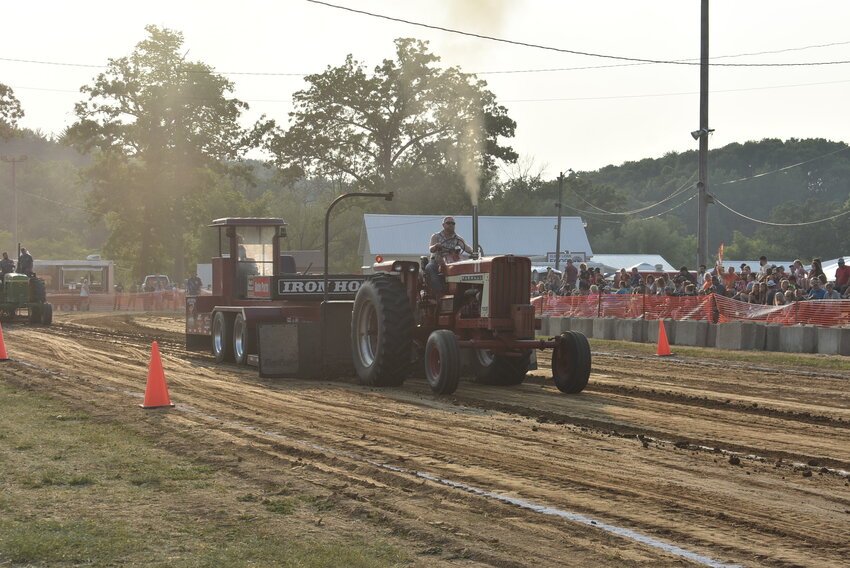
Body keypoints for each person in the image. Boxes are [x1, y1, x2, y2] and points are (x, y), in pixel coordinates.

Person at [425, 216, 474, 292]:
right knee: (430, 267)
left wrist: (474, 252)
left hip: (452, 262)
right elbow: (431, 249)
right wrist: (436, 246)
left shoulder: (458, 238)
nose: (451, 225)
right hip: (437, 262)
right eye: (448, 223)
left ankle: (461, 290)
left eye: (453, 223)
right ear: (443, 225)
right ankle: (438, 292)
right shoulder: (436, 236)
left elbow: (466, 247)